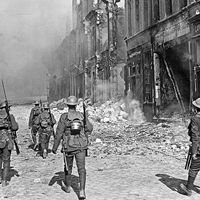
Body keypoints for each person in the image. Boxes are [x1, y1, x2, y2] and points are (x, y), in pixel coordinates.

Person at [52, 96, 93, 199]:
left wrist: (55, 147)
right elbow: (89, 128)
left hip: (68, 146)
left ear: (67, 105)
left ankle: (68, 186)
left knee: (67, 168)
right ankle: (82, 191)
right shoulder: (81, 115)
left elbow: (59, 133)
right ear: (75, 105)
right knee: (82, 169)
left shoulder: (64, 117)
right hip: (81, 146)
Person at [180, 98, 200, 196]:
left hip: (199, 148)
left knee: (194, 168)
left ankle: (188, 189)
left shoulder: (195, 119)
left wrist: (194, 152)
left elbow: (195, 136)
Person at [0, 102, 18, 186]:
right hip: (7, 141)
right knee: (6, 161)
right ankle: (4, 180)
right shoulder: (10, 116)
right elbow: (15, 127)